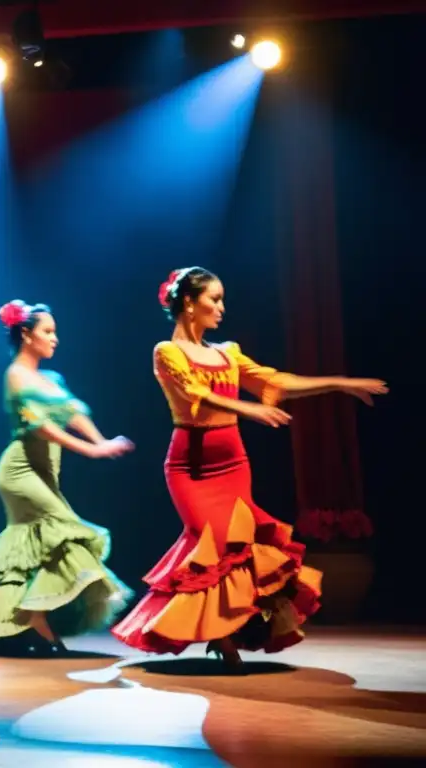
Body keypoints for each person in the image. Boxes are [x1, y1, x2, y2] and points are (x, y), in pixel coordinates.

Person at [112, 267, 387, 671]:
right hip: (191, 466)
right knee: (212, 541)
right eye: (214, 299)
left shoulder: (228, 352)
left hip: (233, 463)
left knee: (241, 542)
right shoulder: (166, 352)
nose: (221, 307)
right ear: (189, 303)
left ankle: (227, 631)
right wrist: (247, 408)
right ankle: (219, 635)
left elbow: (276, 380)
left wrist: (339, 383)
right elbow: (195, 394)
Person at [0, 300, 134, 654]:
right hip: (20, 471)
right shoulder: (16, 375)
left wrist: (101, 441)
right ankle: (35, 620)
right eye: (47, 331)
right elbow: (39, 425)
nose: (55, 338)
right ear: (26, 334)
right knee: (64, 531)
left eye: (55, 331)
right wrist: (90, 451)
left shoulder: (51, 379)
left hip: (46, 472)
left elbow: (73, 412)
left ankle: (8, 617)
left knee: (33, 549)